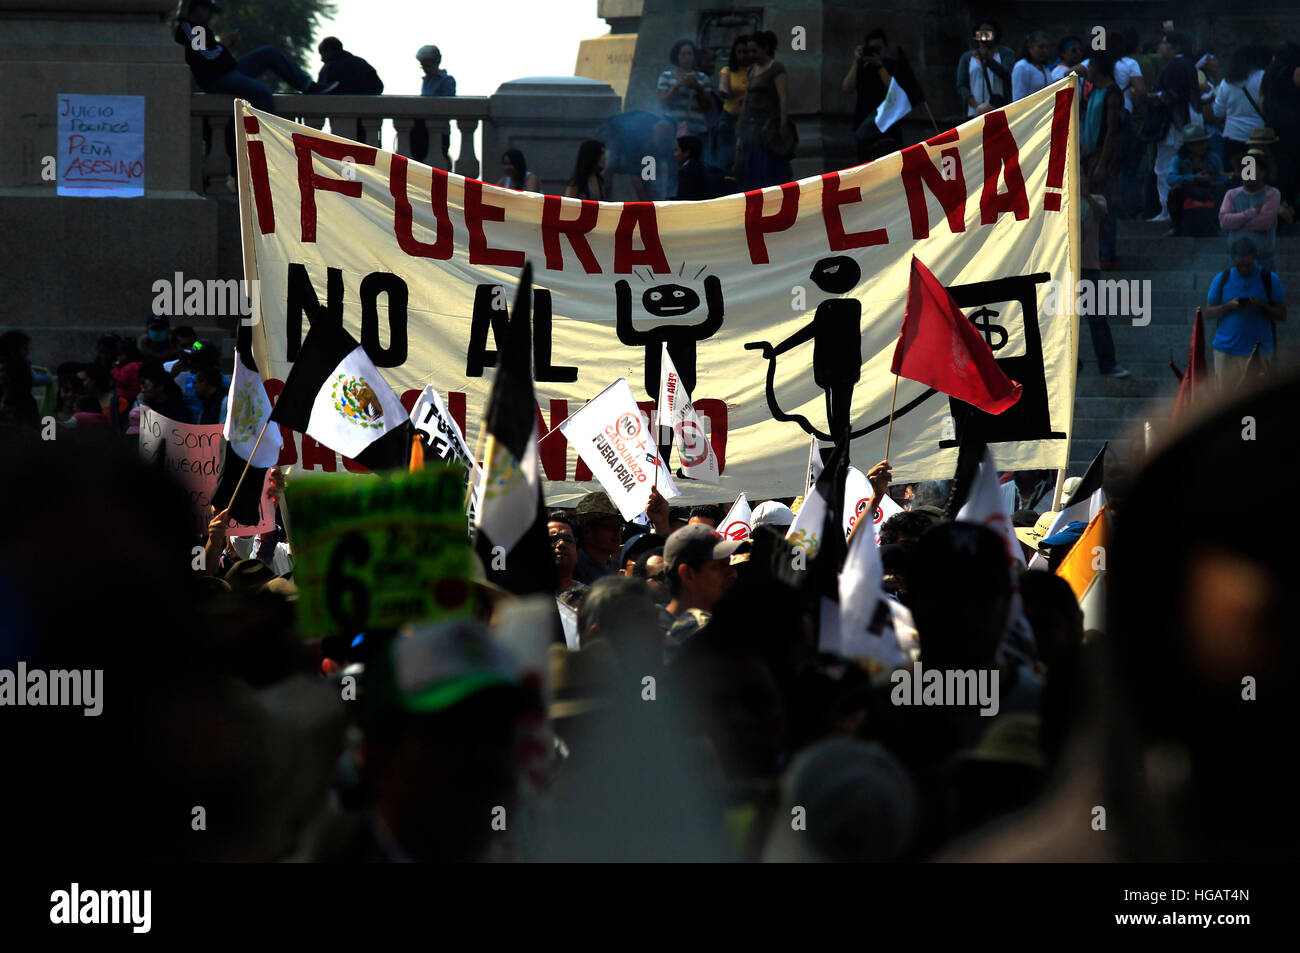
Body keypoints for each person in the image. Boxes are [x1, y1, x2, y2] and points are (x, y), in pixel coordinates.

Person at [172, 0, 333, 114]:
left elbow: (208, 51)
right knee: (262, 92)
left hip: (229, 71)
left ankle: (308, 86)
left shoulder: (200, 28)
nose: (210, 15)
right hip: (217, 79)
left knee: (268, 53)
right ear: (197, 8)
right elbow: (206, 55)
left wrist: (221, 45)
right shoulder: (189, 27)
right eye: (207, 10)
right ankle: (265, 143)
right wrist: (224, 45)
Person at [1203, 238, 1286, 384]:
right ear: (1233, 260)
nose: (1244, 269)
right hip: (1226, 351)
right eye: (1239, 265)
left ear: (1255, 259)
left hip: (1260, 353)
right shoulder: (1222, 279)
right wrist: (1228, 306)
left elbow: (1282, 314)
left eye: (1248, 265)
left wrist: (1261, 305)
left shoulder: (1269, 279)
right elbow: (1208, 312)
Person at [662, 523, 749, 651]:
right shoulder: (654, 641)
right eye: (719, 567)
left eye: (729, 564)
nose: (733, 574)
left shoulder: (725, 632)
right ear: (688, 574)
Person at [842, 28, 923, 163]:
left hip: (888, 123)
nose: (875, 52)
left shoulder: (891, 65)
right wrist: (857, 61)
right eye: (871, 49)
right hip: (866, 122)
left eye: (878, 49)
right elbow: (846, 86)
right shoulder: (862, 66)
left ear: (884, 48)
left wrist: (880, 66)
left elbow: (894, 89)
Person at [1150, 31, 1203, 222]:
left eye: (1164, 43)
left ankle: (1168, 209)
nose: (1160, 47)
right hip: (1190, 120)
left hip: (1175, 123)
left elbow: (1171, 95)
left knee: (1164, 167)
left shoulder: (1174, 65)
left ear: (1175, 47)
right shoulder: (1188, 64)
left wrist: (1153, 97)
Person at [735, 31, 793, 191]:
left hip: (768, 127)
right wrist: (740, 122)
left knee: (767, 170)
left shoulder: (776, 68)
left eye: (755, 51)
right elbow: (747, 97)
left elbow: (783, 97)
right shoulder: (752, 69)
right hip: (750, 126)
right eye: (749, 51)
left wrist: (783, 123)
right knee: (749, 169)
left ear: (765, 48)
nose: (751, 55)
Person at [1082, 52, 1124, 265]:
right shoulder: (1094, 91)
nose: (1087, 69)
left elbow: (1111, 131)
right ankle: (1097, 251)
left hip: (1104, 155)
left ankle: (1107, 252)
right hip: (1090, 155)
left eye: (1089, 65)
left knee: (1106, 203)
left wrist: (1102, 163)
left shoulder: (1112, 93)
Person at [1220, 150, 1281, 271]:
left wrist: (1236, 223)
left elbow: (1264, 223)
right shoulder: (1231, 194)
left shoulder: (1272, 194)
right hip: (1236, 259)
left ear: (1263, 172)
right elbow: (1224, 221)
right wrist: (1249, 214)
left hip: (1263, 258)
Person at [1166, 123, 1227, 237]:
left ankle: (1216, 224)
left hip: (1209, 190)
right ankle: (1176, 225)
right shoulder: (1179, 159)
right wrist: (1193, 178)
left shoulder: (1214, 158)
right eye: (1198, 143)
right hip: (1189, 190)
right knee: (1175, 191)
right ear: (1189, 146)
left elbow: (1222, 178)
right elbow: (1170, 178)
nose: (1202, 146)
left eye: (1203, 142)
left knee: (1222, 190)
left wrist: (1212, 179)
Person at [1213, 46, 1267, 176]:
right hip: (1258, 137)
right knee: (1255, 179)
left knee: (1234, 178)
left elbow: (1218, 112)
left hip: (1232, 137)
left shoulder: (1226, 82)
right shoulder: (1263, 77)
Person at [1262, 41, 1300, 208]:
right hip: (1294, 124)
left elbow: (1261, 101)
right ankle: (1293, 207)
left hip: (1273, 125)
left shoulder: (1268, 73)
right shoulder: (1296, 71)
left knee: (1278, 165)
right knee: (1294, 165)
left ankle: (1280, 204)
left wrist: (1270, 117)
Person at [657, 39, 714, 146]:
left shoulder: (703, 78)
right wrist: (678, 86)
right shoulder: (666, 76)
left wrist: (698, 88)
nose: (687, 58)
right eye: (683, 54)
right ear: (677, 56)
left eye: (690, 54)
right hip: (672, 129)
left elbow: (708, 106)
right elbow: (663, 101)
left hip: (697, 130)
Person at [956, 18, 1015, 118]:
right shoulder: (967, 57)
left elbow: (1007, 75)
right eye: (981, 32)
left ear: (995, 34)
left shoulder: (1006, 54)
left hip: (999, 108)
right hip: (974, 112)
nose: (984, 36)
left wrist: (989, 61)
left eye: (988, 32)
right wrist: (976, 106)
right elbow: (961, 85)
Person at [413, 45, 456, 166]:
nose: (425, 69)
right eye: (423, 65)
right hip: (422, 130)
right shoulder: (426, 80)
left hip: (440, 130)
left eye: (427, 65)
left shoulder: (447, 81)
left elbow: (447, 106)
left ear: (436, 62)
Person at [571, 492, 624, 584]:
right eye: (610, 526)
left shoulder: (618, 568)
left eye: (619, 526)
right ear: (587, 531)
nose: (618, 532)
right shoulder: (572, 567)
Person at [714, 35, 750, 169]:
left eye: (745, 52)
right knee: (725, 156)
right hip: (729, 117)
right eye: (739, 52)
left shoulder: (754, 70)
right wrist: (724, 91)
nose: (742, 56)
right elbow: (723, 87)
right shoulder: (727, 70)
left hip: (748, 119)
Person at [315, 36, 383, 95]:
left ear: (329, 50)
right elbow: (378, 87)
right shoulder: (361, 63)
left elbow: (321, 92)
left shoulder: (329, 68)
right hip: (368, 107)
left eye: (322, 54)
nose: (322, 59)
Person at [1011, 31, 1052, 103]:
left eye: (1047, 47)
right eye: (1041, 47)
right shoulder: (1022, 67)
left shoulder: (1045, 68)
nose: (1045, 51)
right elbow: (1018, 99)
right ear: (1030, 48)